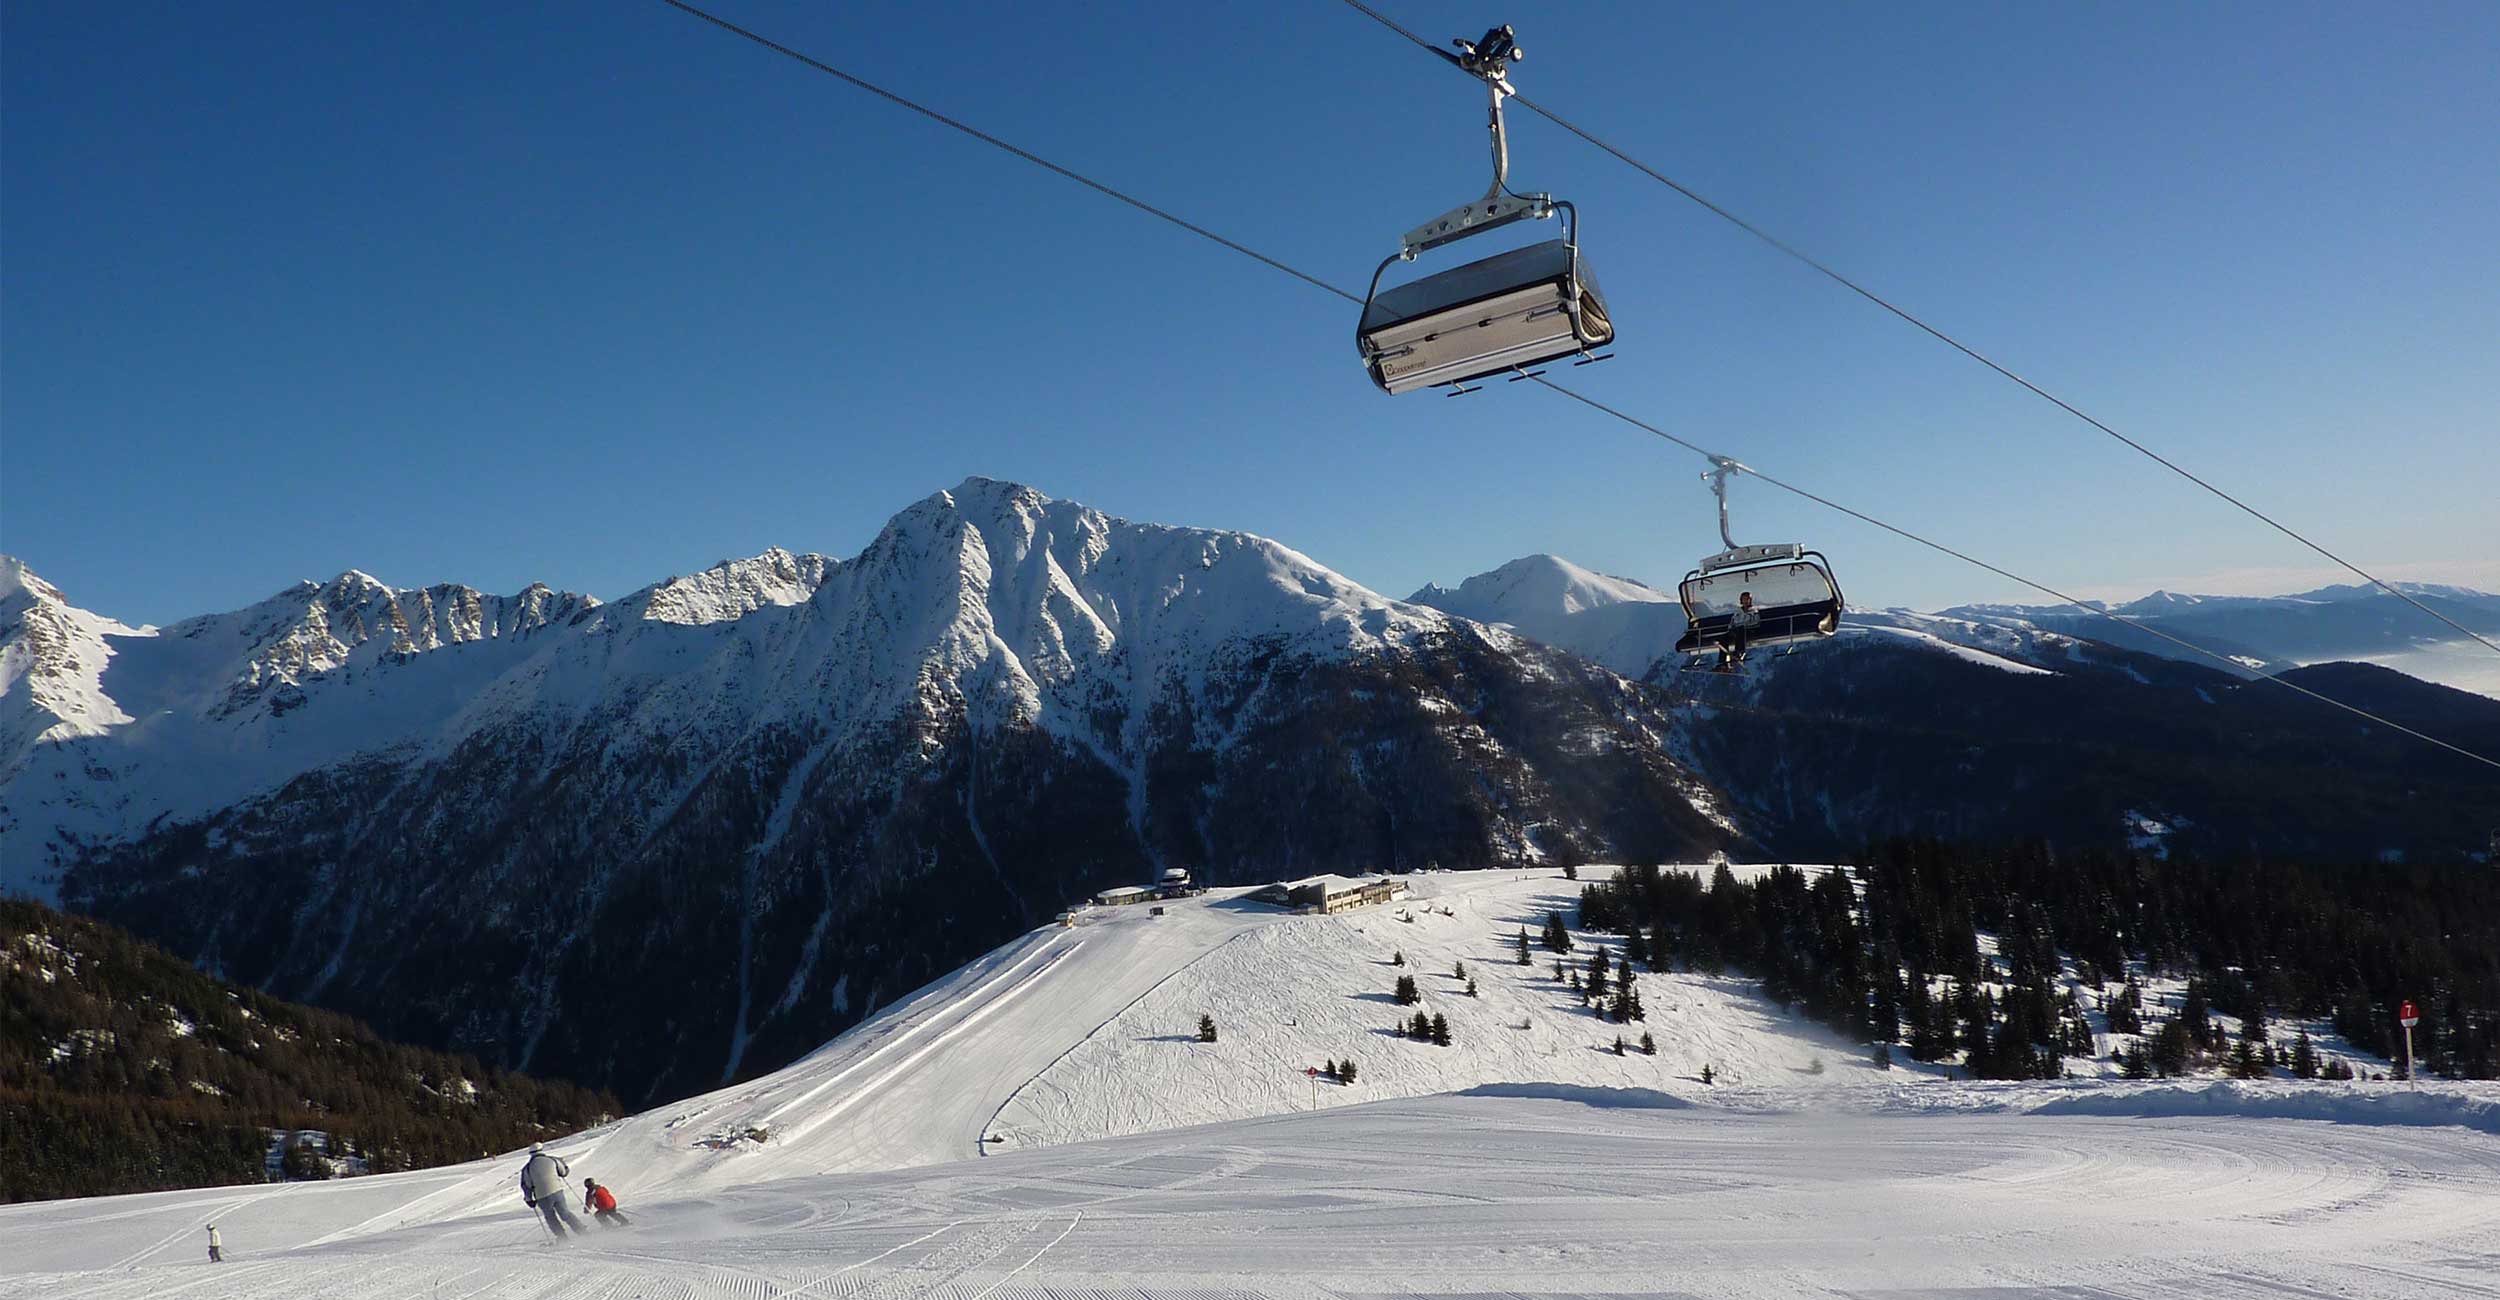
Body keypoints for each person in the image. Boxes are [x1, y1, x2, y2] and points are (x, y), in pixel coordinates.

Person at [518, 1142, 588, 1237]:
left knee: (550, 1217)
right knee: (565, 1213)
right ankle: (582, 1231)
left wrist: (529, 1199)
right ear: (541, 1150)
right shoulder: (552, 1160)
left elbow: (527, 1186)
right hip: (557, 1191)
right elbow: (564, 1172)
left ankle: (562, 1237)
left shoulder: (527, 1168)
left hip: (542, 1196)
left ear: (530, 1153)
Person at [1716, 591, 1762, 671]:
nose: (1745, 601)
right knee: (1723, 638)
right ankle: (1723, 663)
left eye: (1747, 599)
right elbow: (1732, 622)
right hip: (1736, 631)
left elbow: (1756, 622)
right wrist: (1730, 628)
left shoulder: (1754, 611)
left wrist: (1746, 625)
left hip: (1748, 630)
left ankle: (1739, 651)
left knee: (1741, 629)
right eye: (1744, 599)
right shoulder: (1737, 612)